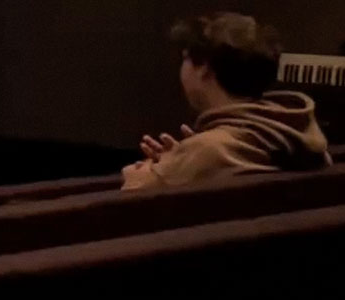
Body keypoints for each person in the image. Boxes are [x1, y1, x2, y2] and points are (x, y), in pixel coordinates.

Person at [122, 13, 332, 191]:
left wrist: (142, 173)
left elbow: (130, 195)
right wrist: (184, 157)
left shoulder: (209, 150)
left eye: (185, 58)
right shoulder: (302, 137)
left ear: (204, 68)